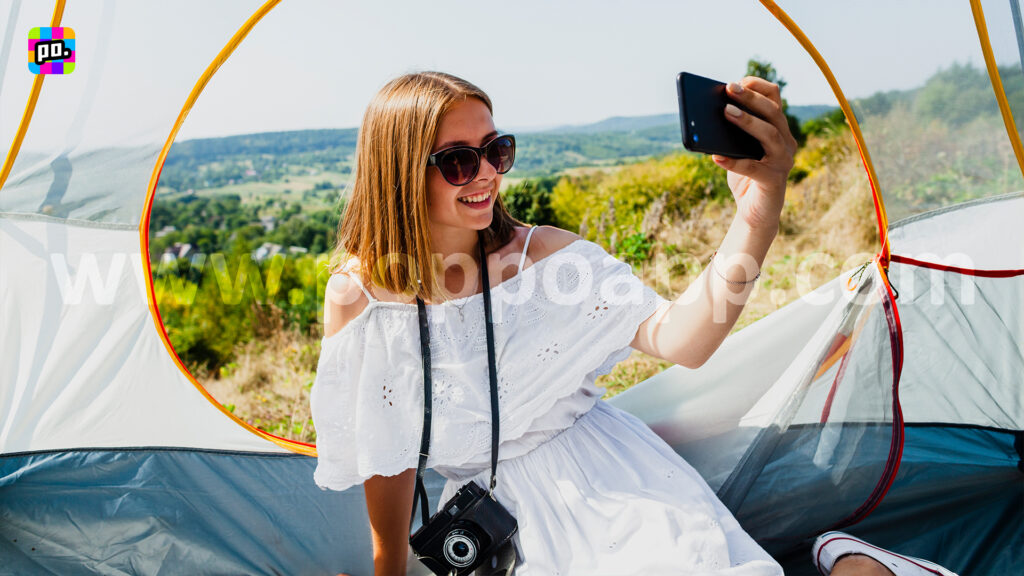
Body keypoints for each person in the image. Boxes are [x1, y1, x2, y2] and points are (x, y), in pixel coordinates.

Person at [311, 71, 957, 576]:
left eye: (497, 150)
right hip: (494, 531)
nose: (487, 176)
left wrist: (760, 210)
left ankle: (858, 565)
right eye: (459, 161)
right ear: (398, 171)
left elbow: (685, 338)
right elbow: (386, 457)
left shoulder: (547, 261)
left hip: (613, 492)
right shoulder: (359, 301)